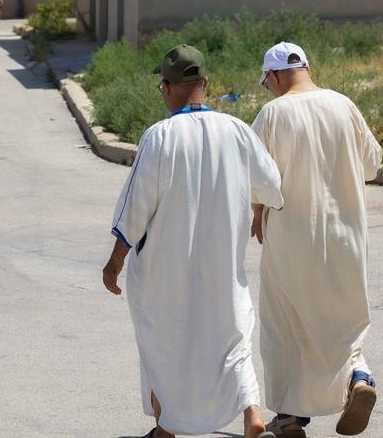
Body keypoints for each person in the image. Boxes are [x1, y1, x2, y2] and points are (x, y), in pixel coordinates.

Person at [102, 45, 283, 438]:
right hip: (223, 266)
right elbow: (272, 186)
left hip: (163, 273)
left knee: (161, 343)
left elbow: (135, 209)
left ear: (166, 88)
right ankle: (252, 415)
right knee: (232, 338)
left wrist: (114, 262)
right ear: (205, 84)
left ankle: (166, 427)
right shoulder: (236, 131)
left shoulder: (159, 137)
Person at [251, 43, 383, 437]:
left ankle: (291, 417)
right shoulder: (344, 105)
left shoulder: (272, 113)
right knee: (343, 323)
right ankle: (359, 377)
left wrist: (257, 211)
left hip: (292, 239)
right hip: (347, 238)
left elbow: (256, 176)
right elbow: (372, 165)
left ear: (274, 76)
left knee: (287, 326)